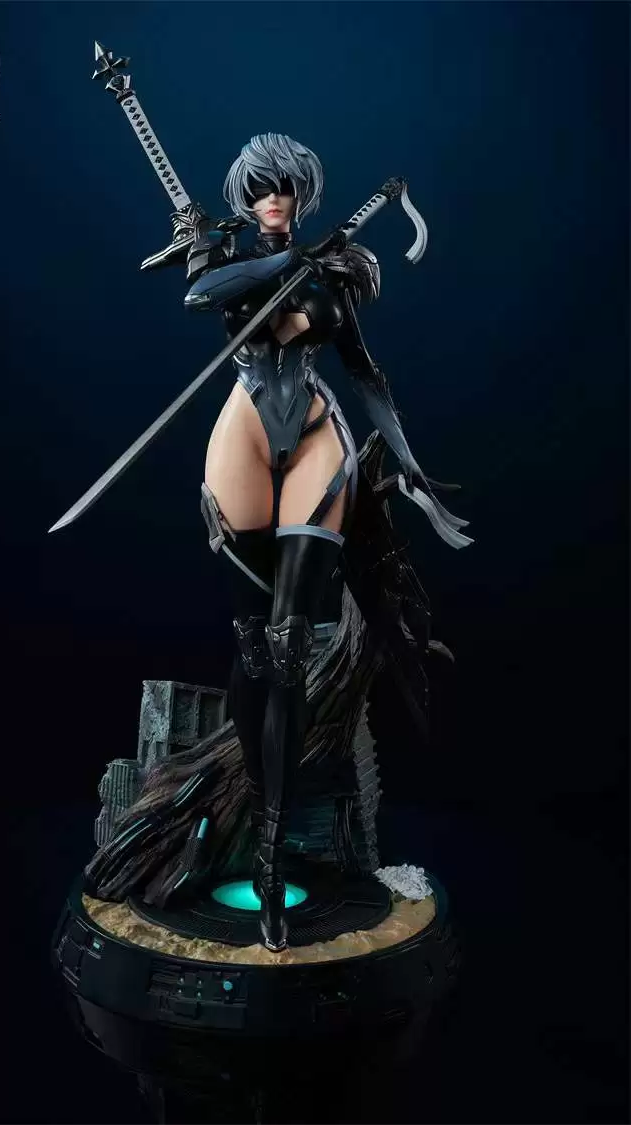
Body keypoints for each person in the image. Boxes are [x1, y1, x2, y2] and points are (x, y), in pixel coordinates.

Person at [179, 133, 470, 951]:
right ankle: (247, 801)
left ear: (303, 193)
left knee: (289, 642)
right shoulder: (231, 259)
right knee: (252, 649)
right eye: (259, 188)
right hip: (242, 430)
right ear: (245, 196)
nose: (272, 198)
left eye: (284, 187)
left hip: (312, 430)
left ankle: (272, 869)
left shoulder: (336, 272)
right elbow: (200, 295)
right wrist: (287, 262)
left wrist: (410, 465)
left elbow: (365, 371)